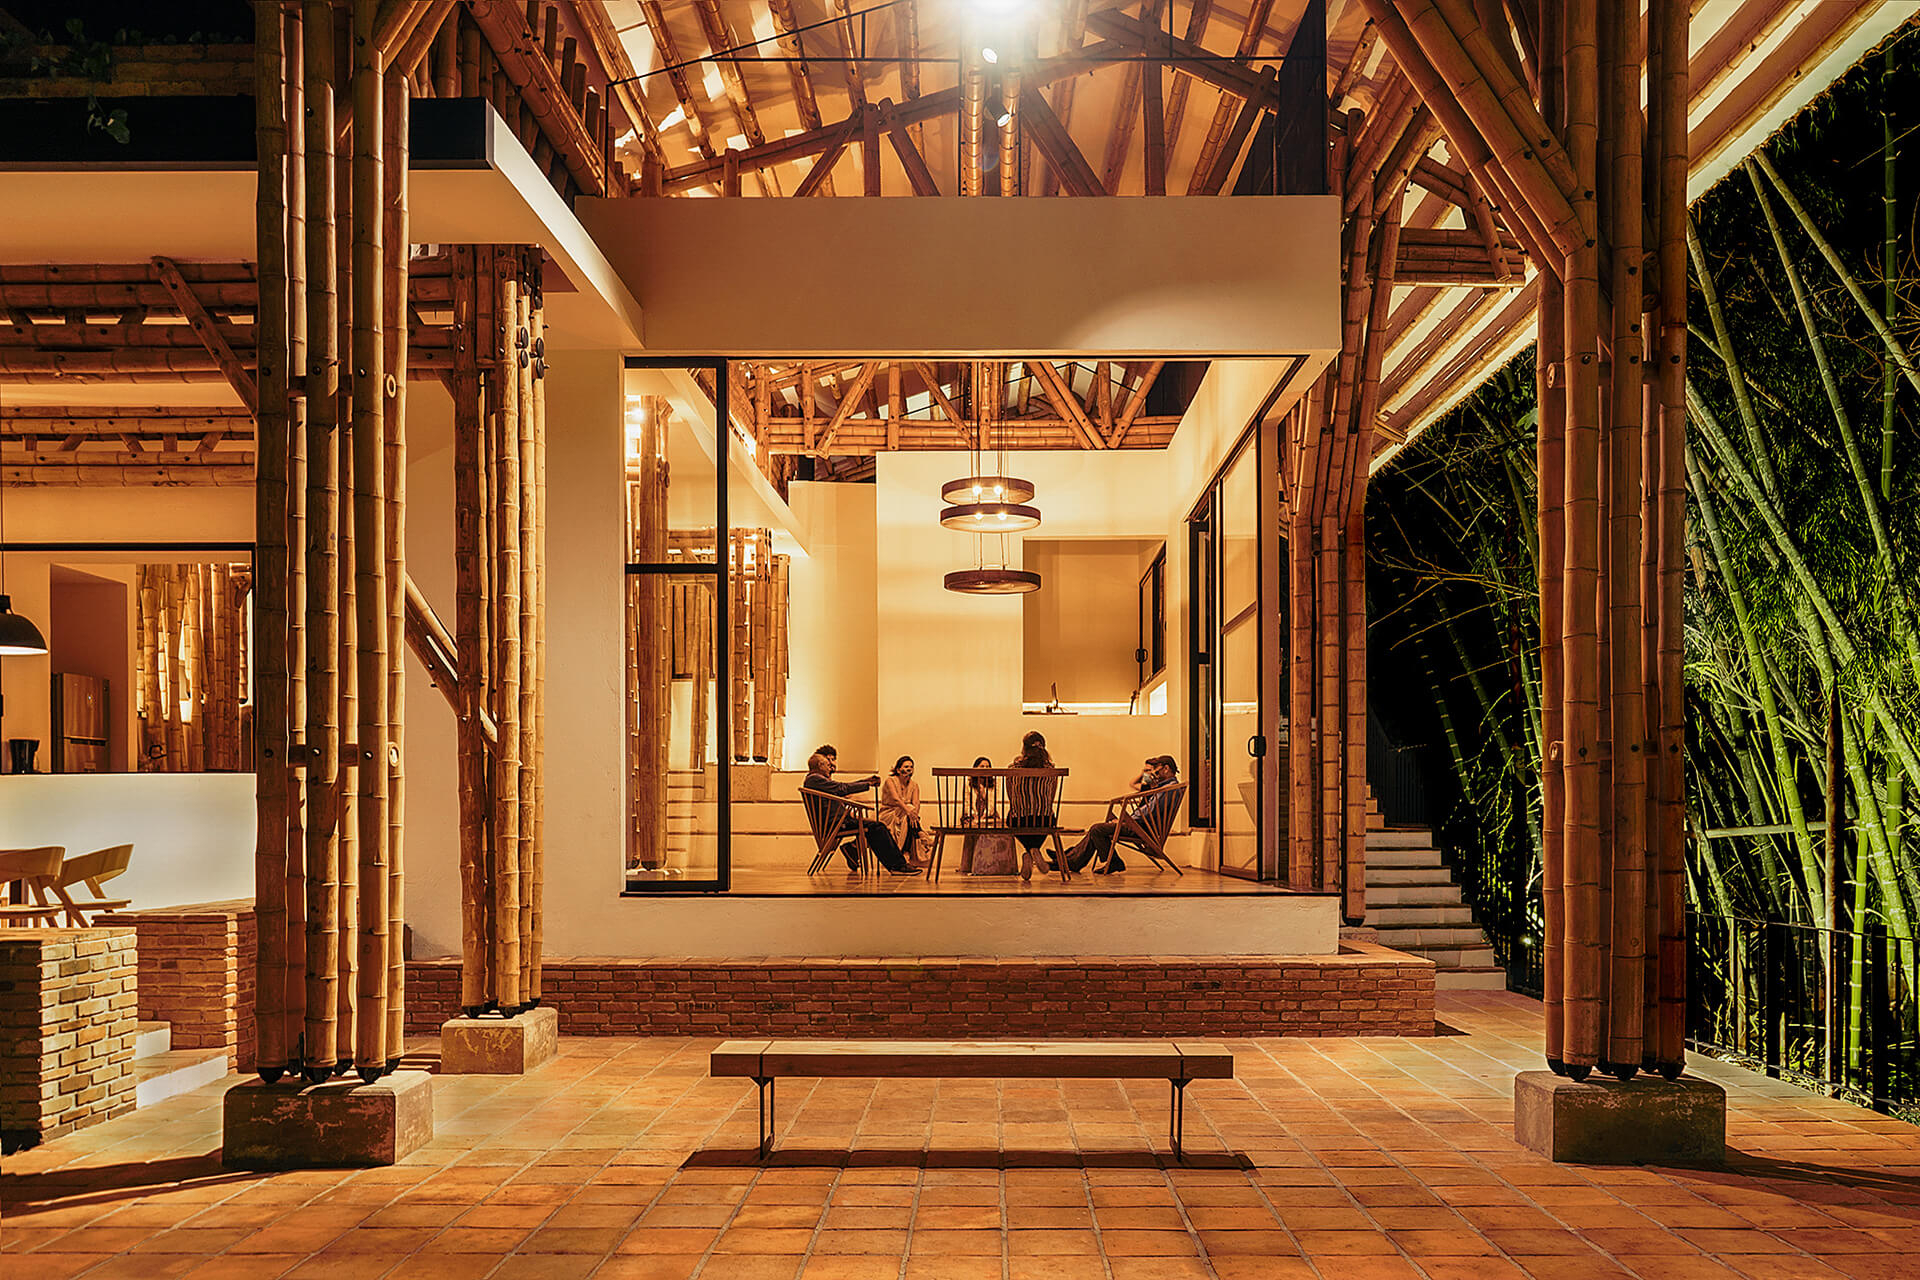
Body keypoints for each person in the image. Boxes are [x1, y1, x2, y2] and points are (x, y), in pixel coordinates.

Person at [803, 751, 921, 874]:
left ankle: (854, 850)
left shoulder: (815, 780)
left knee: (876, 826)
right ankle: (897, 866)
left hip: (839, 822)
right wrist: (867, 783)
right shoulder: (815, 779)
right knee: (878, 827)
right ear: (820, 765)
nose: (830, 768)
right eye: (828, 765)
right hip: (837, 823)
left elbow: (842, 787)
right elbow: (842, 788)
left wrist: (866, 781)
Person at [1064, 755, 1180, 874]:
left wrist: (1124, 821)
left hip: (1142, 829)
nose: (1155, 775)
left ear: (1166, 769)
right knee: (1098, 829)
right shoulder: (1168, 787)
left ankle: (1081, 859)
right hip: (1142, 826)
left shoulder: (1168, 789)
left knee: (1097, 829)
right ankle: (1071, 858)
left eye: (1157, 771)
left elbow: (1149, 811)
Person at [1009, 730, 1059, 882]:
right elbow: (1051, 798)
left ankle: (1029, 851)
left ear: (1024, 748)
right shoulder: (1051, 769)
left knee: (1012, 818)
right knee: (1048, 818)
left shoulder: (1013, 768)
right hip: (1044, 819)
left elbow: (1010, 796)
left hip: (1020, 820)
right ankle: (1034, 849)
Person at [961, 756, 1018, 875]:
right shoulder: (969, 784)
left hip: (989, 814)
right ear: (975, 768)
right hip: (972, 814)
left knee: (998, 828)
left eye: (987, 766)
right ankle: (974, 865)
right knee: (972, 826)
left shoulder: (993, 784)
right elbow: (967, 803)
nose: (985, 768)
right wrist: (974, 815)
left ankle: (994, 865)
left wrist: (984, 816)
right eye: (982, 766)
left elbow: (992, 803)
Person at [878, 756, 927, 867]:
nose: (909, 769)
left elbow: (916, 803)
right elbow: (896, 799)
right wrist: (910, 812)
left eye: (911, 767)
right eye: (906, 767)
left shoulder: (914, 785)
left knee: (908, 816)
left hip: (906, 815)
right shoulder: (890, 781)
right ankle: (919, 833)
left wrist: (914, 815)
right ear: (898, 769)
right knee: (908, 810)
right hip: (889, 813)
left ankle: (905, 854)